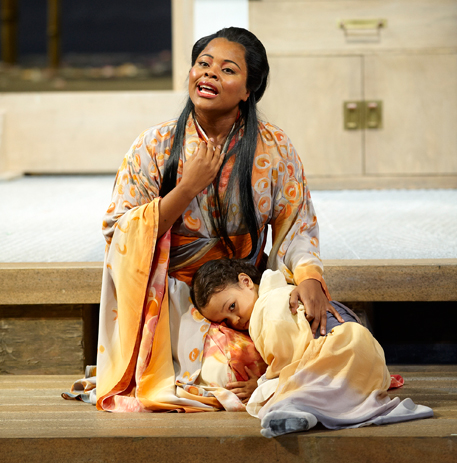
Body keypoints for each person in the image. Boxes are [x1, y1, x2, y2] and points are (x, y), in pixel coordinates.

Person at [94, 26, 346, 413]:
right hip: (172, 297)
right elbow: (119, 230)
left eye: (228, 70)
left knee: (327, 338)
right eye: (203, 64)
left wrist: (310, 278)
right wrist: (185, 189)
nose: (210, 73)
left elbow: (298, 225)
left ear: (248, 90)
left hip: (245, 294)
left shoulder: (275, 148)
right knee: (229, 369)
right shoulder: (153, 146)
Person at [191, 259, 434, 437]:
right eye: (225, 321)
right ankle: (302, 411)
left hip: (342, 344)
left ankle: (294, 409)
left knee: (301, 388)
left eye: (232, 307)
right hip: (363, 353)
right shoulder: (277, 293)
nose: (234, 321)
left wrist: (263, 385)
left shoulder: (268, 306)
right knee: (315, 386)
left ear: (246, 282)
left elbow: (289, 355)